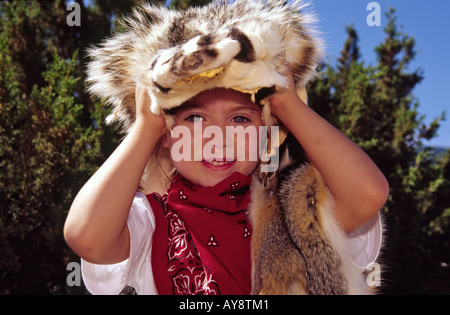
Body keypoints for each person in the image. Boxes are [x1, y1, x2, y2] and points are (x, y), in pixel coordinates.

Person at [64, 66, 388, 295]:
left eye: (239, 119)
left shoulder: (292, 207)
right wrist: (145, 128)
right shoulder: (147, 220)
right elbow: (86, 236)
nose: (218, 138)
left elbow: (368, 193)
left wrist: (286, 104)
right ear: (166, 133)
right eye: (194, 117)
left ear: (267, 136)